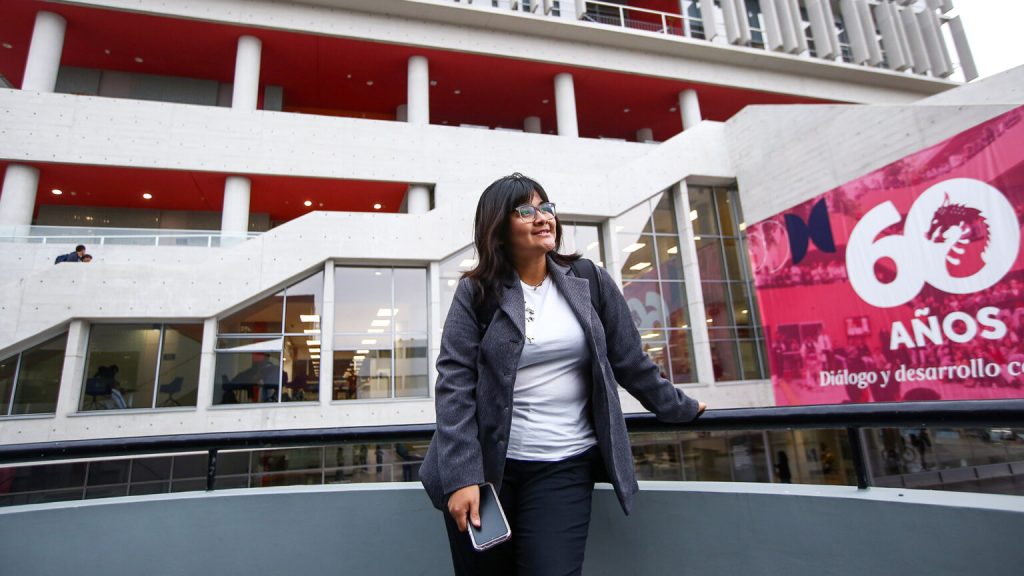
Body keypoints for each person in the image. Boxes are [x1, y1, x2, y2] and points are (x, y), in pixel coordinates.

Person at [419, 173, 707, 576]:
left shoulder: (588, 280)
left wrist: (681, 407)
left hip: (563, 466)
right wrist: (463, 477)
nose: (543, 218)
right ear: (498, 226)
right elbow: (455, 384)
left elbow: (630, 361)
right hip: (486, 473)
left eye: (546, 207)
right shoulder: (477, 292)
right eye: (526, 210)